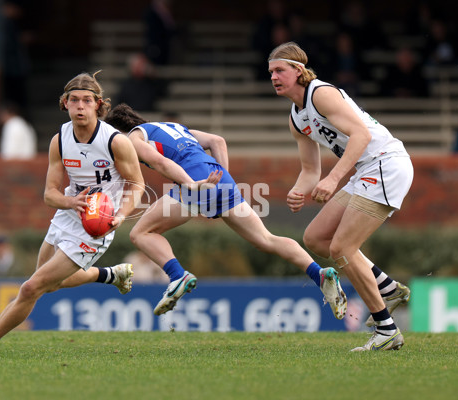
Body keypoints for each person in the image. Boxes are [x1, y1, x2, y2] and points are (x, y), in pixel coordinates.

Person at [0, 71, 146, 358]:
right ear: (65, 103)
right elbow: (49, 194)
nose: (80, 106)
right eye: (74, 100)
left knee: (32, 287)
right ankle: (111, 275)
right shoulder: (60, 139)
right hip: (68, 212)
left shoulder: (115, 141)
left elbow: (137, 183)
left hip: (97, 225)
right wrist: (71, 203)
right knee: (50, 285)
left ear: (98, 105)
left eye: (87, 101)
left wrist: (120, 214)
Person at [103, 103, 347, 318]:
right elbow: (217, 141)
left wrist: (192, 184)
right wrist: (222, 179)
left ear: (117, 132)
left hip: (196, 181)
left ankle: (177, 276)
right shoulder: (171, 127)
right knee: (267, 239)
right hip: (222, 180)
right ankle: (319, 273)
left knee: (140, 233)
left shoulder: (133, 139)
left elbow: (160, 162)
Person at [268, 42, 414, 351]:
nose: (274, 77)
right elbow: (310, 170)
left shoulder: (320, 93)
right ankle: (388, 289)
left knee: (343, 246)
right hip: (366, 170)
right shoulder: (297, 118)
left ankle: (387, 330)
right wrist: (298, 190)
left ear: (297, 71)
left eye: (280, 70)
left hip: (386, 163)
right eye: (270, 72)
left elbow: (361, 135)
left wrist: (334, 179)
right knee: (316, 238)